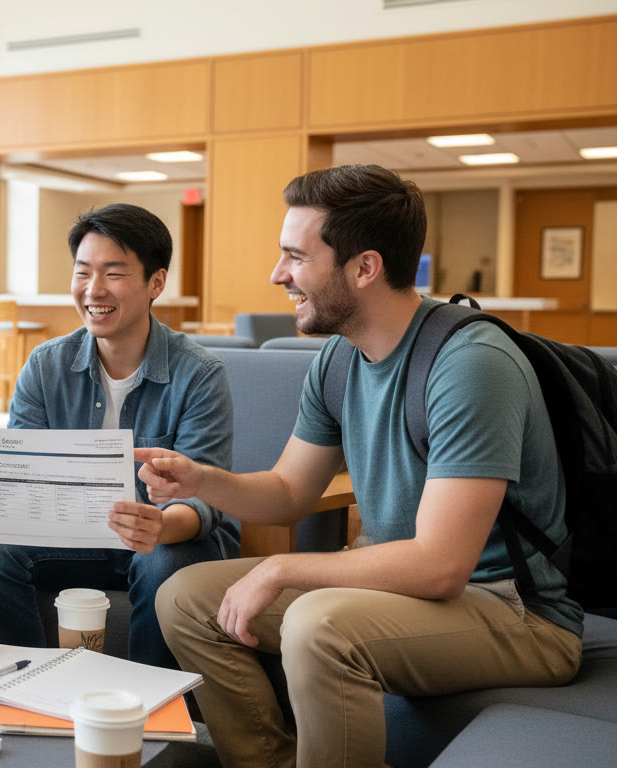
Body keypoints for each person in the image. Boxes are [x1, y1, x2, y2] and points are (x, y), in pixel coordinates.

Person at [144, 165, 583, 767]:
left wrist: (278, 568)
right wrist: (202, 480)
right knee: (186, 597)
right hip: (400, 589)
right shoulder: (339, 360)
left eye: (295, 257)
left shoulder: (471, 365)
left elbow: (440, 567)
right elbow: (288, 491)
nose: (278, 275)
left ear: (364, 267)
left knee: (319, 625)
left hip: (512, 611)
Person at [0, 203, 237, 667]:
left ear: (156, 282)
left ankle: (146, 706)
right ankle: (27, 687)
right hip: (71, 538)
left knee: (161, 560)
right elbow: (22, 475)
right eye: (83, 272)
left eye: (113, 273)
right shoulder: (46, 365)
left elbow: (207, 501)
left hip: (163, 540)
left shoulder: (199, 373)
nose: (93, 290)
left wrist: (161, 525)